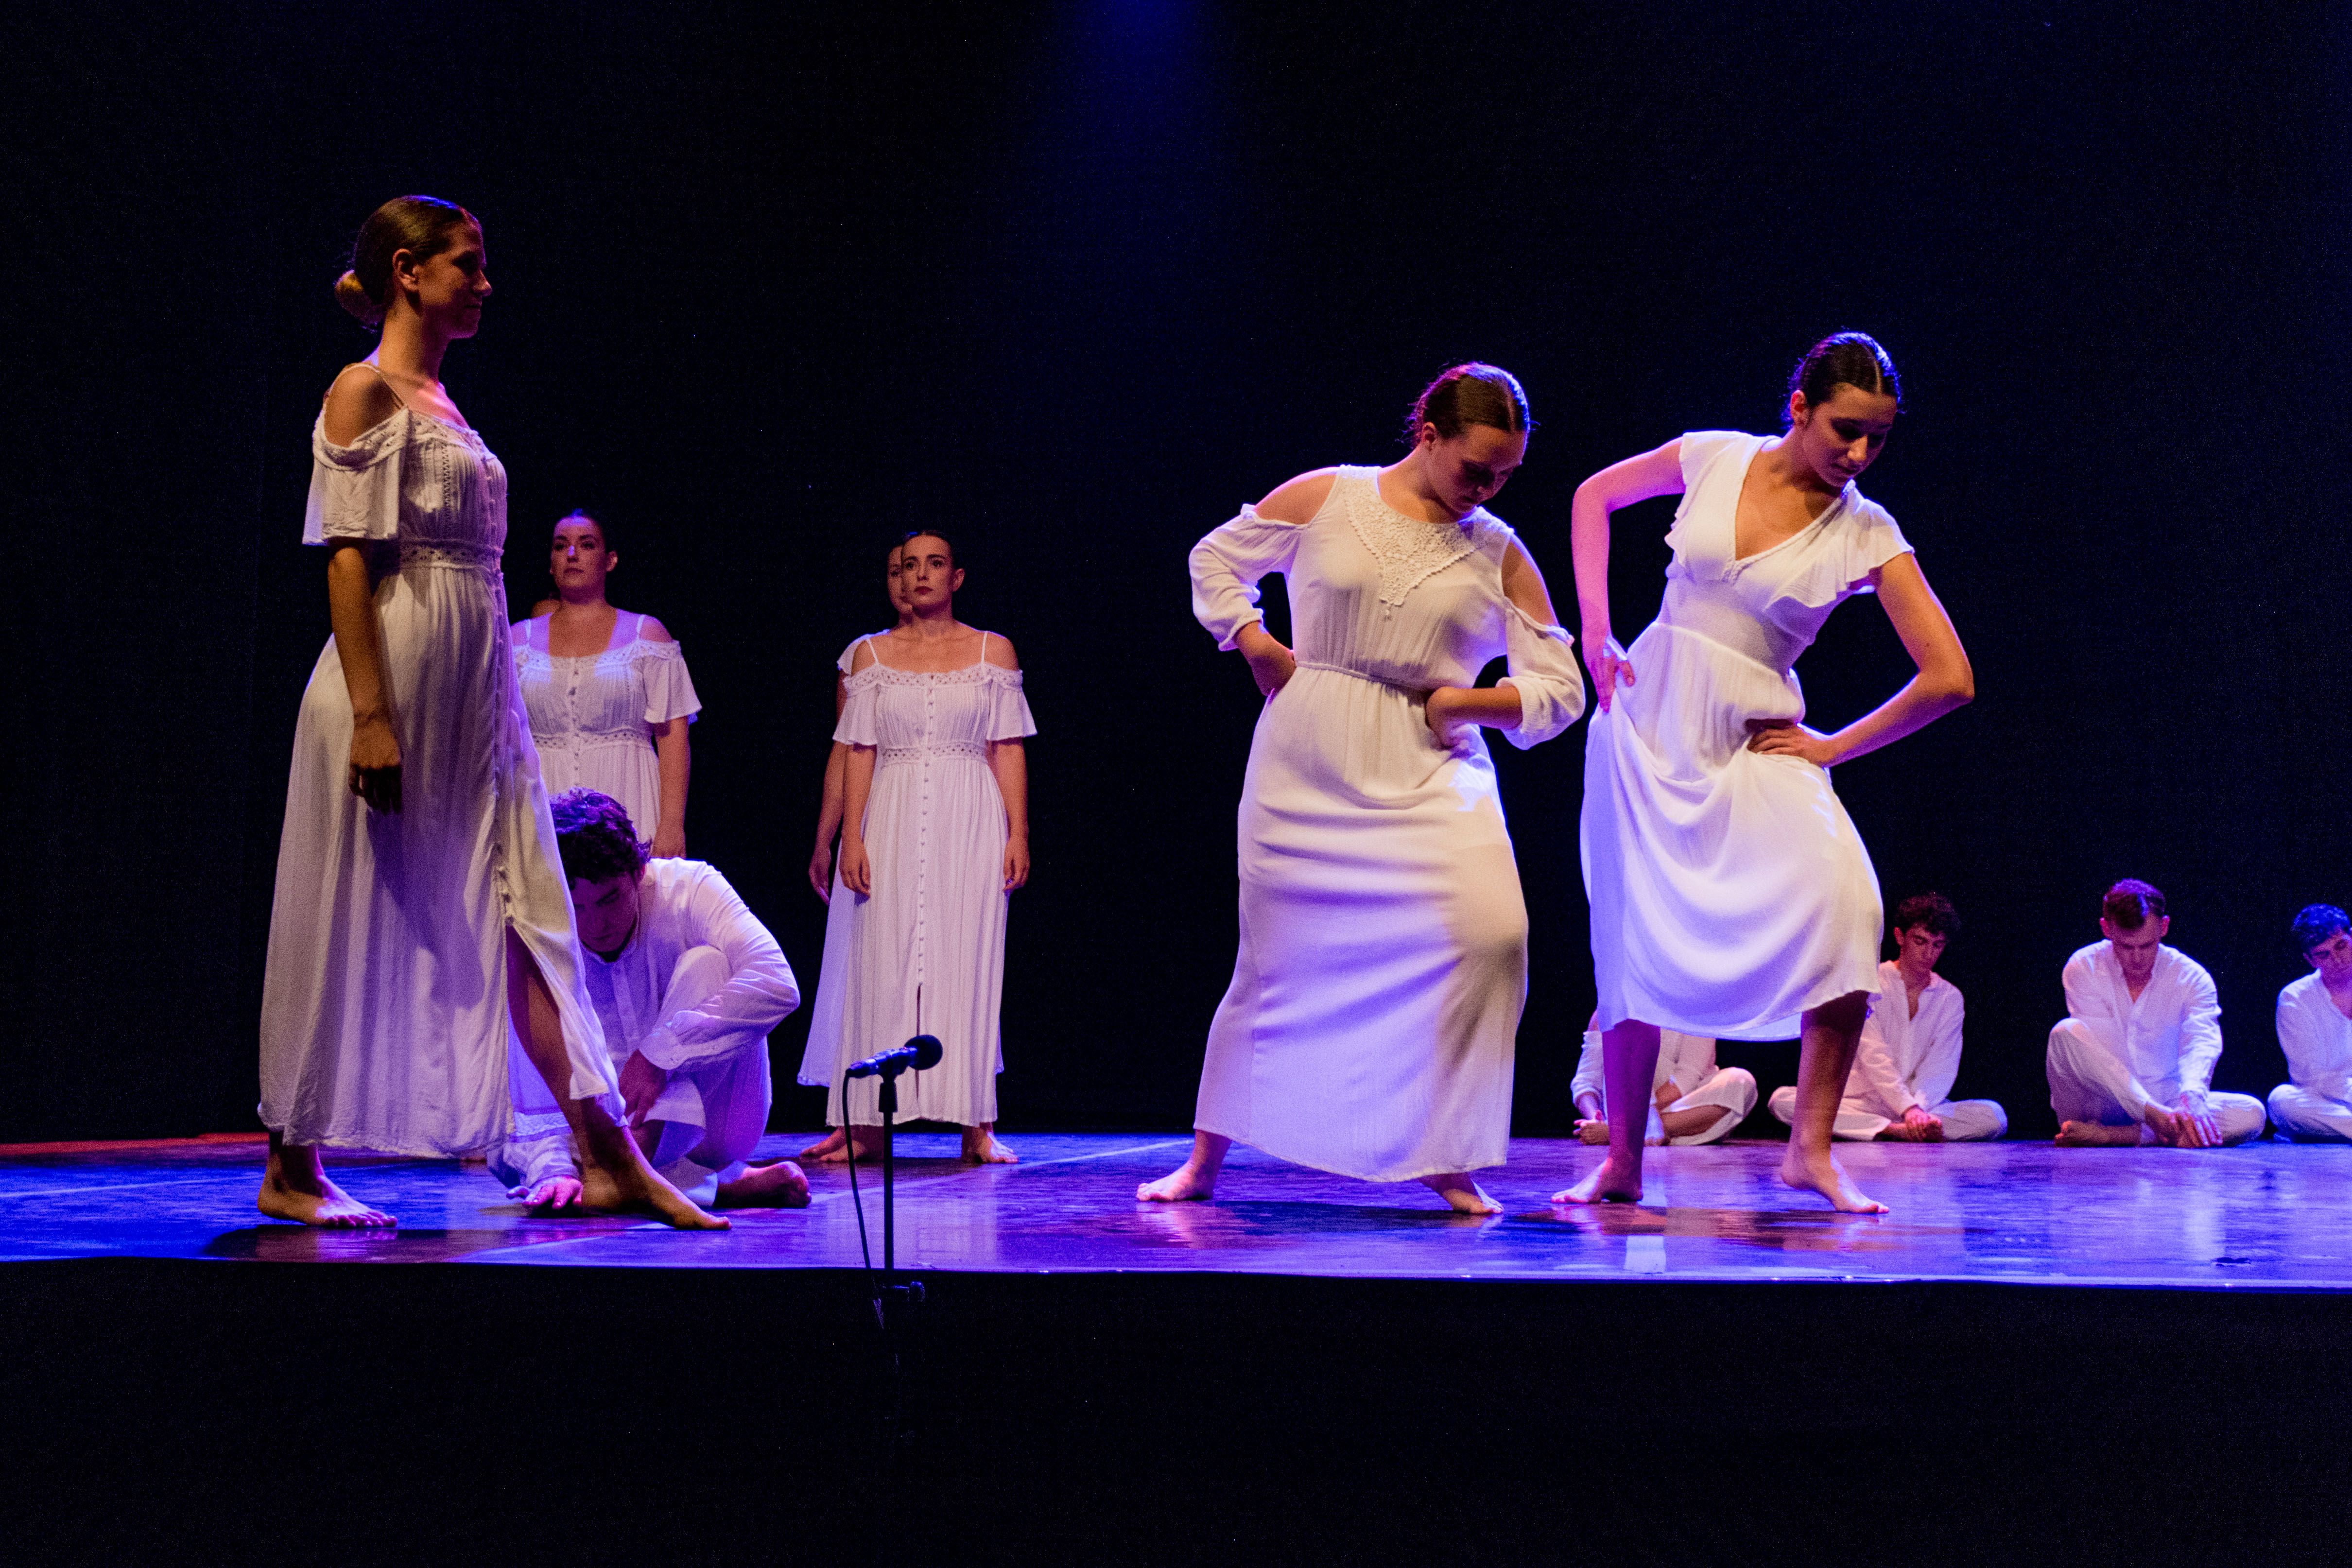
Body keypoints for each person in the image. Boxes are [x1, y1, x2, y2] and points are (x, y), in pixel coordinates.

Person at [256, 195, 718, 1228]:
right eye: (469, 263)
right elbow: (346, 557)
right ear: (411, 272)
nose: (485, 281)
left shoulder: (441, 398)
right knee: (344, 906)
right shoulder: (364, 386)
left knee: (532, 910)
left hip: (476, 689)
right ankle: (292, 1161)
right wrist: (374, 716)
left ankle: (607, 1154)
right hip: (392, 682)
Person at [1138, 363, 1586, 1215]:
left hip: (1431, 766)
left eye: (1505, 475)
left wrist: (1470, 699)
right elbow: (1215, 557)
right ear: (1431, 436)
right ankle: (1205, 1161)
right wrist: (1254, 639)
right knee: (1275, 961)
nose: (1487, 487)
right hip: (1307, 758)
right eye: (1476, 467)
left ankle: (1441, 1146)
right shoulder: (1331, 495)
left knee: (1492, 937)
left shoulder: (1500, 550)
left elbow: (1561, 689)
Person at [1562, 333, 1974, 1214]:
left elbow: (1950, 676)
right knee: (1631, 938)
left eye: (1878, 438)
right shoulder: (1718, 456)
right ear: (1799, 407)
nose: (1859, 453)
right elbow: (1593, 495)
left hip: (1756, 741)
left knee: (1849, 905)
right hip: (1648, 727)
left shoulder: (1865, 529)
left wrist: (1831, 746)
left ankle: (1809, 1151)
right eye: (1845, 430)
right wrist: (1596, 628)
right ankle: (1623, 1163)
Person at [797, 532, 1035, 1165]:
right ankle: (869, 1126)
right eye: (908, 565)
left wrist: (1019, 831)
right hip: (893, 807)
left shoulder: (993, 650)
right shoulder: (871, 657)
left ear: (956, 576)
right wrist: (851, 835)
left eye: (934, 564)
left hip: (970, 809)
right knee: (882, 956)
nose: (921, 574)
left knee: (968, 959)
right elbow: (859, 750)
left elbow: (1007, 745)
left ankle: (975, 1123)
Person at [497, 791, 809, 1208]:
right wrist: (553, 1167)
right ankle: (714, 1185)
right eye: (578, 907)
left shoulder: (689, 887)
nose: (595, 923)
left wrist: (661, 1054)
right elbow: (528, 1077)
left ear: (638, 871)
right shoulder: (543, 923)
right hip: (594, 1134)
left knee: (708, 965)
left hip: (719, 1115)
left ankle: (628, 1171)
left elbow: (778, 983)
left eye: (610, 899)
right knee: (524, 995)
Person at [513, 512, 699, 860]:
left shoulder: (647, 635)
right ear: (551, 564)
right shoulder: (517, 642)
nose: (572, 554)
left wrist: (672, 824)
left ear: (609, 560)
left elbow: (672, 734)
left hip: (629, 803)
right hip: (541, 812)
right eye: (560, 546)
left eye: (586, 545)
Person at [1766, 892, 2006, 1141]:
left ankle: (1917, 1128)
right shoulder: (1870, 984)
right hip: (1862, 1103)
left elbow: (1941, 1067)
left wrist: (1919, 1110)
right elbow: (1874, 1055)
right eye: (1921, 941)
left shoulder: (1950, 997)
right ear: (1900, 937)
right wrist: (1907, 1109)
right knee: (1782, 1100)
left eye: (1938, 945)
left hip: (1921, 1104)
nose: (1929, 954)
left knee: (1995, 1115)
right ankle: (1892, 1129)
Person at [2046, 879, 2266, 1147]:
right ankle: (2161, 1127)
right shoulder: (2084, 966)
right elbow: (2102, 1055)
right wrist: (2150, 1111)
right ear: (2107, 929)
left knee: (2251, 1113)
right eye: (2126, 947)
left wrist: (2193, 1096)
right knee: (2065, 1033)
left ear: (2164, 927)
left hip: (2165, 1103)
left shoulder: (2191, 977)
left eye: (2147, 946)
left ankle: (2119, 1137)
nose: (2137, 958)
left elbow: (2201, 1040)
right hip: (2098, 1103)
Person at [806, 542, 917, 900]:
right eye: (895, 572)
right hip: (881, 807)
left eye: (911, 569)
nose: (904, 582)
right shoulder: (863, 654)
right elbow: (845, 750)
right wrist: (825, 839)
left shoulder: (970, 649)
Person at [1571, 1018, 1755, 1147]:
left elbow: (1688, 1076)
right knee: (1628, 1042)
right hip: (1624, 1107)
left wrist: (1642, 1112)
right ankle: (1642, 1132)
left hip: (1680, 1104)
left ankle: (1622, 1133)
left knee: (1741, 1081)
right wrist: (1594, 1117)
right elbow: (1587, 1079)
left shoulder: (1695, 1008)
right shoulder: (1611, 1009)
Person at [2269, 904, 2352, 1140]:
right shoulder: (2295, 998)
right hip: (2324, 1101)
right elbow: (2313, 1077)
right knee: (2282, 1100)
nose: (2337, 959)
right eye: (2323, 954)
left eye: (2341, 946)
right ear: (2310, 959)